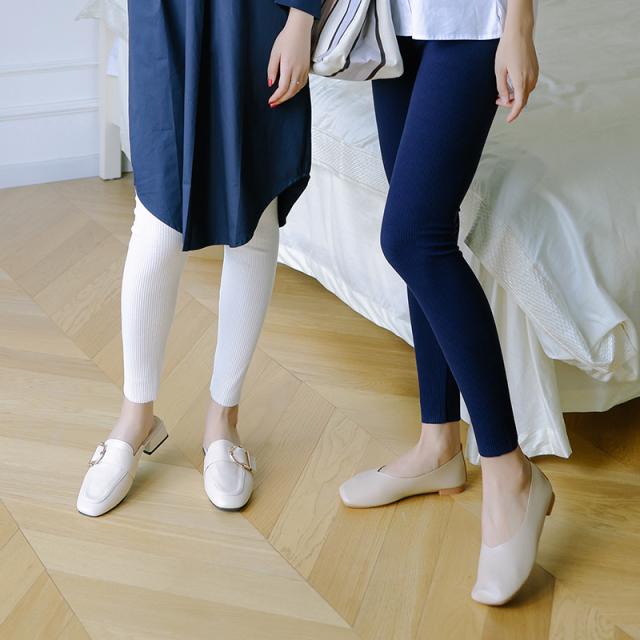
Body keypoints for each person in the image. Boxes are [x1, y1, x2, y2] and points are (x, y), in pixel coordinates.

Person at [339, 0, 555, 605]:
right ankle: (438, 445)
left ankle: (511, 471)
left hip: (472, 22)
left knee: (412, 237)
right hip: (394, 21)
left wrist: (519, 26)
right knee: (426, 236)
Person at [77, 0, 320, 516]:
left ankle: (223, 420)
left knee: (253, 211)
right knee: (157, 222)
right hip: (166, 14)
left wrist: (302, 18)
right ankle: (136, 417)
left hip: (257, 14)